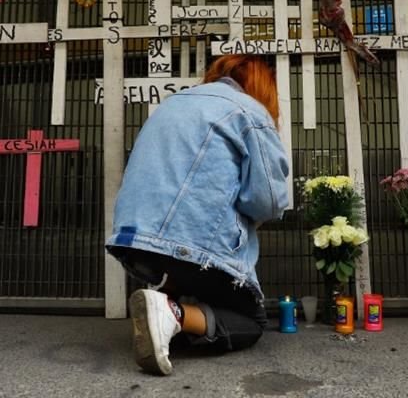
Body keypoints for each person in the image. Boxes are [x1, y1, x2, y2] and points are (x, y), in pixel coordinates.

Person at [105, 55, 290, 376]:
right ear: (263, 86)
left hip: (134, 242)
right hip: (188, 245)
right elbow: (267, 201)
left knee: (195, 275)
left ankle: (165, 301)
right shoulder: (250, 111)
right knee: (251, 322)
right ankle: (172, 311)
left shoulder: (172, 104)